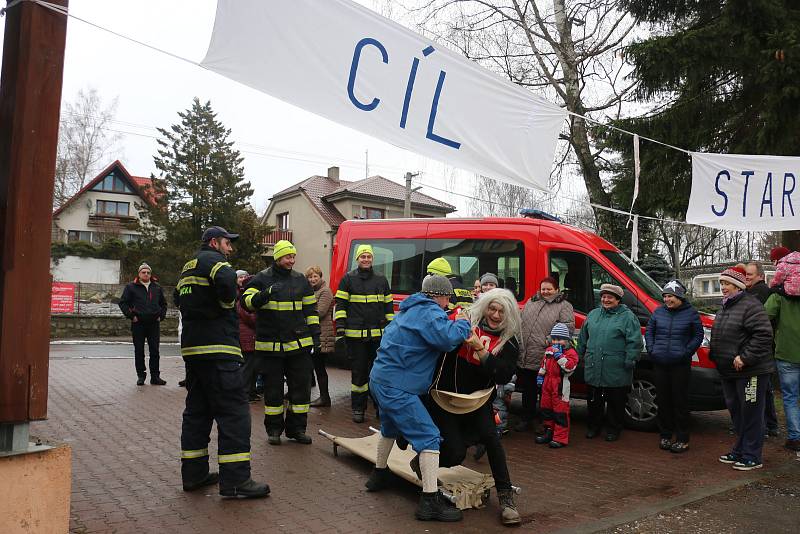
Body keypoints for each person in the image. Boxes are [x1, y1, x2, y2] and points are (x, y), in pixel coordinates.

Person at [364, 274, 472, 522]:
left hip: (380, 380)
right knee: (429, 437)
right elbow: (446, 339)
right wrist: (464, 323)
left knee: (389, 427)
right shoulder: (430, 311)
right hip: (398, 386)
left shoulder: (410, 308)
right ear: (441, 296)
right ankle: (429, 502)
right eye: (447, 299)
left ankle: (379, 475)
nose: (448, 305)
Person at [176, 226, 268, 498]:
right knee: (235, 415)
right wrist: (228, 303)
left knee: (197, 413)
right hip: (219, 350)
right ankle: (236, 481)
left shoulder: (188, 267)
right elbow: (227, 285)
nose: (230, 249)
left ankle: (194, 474)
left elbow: (176, 299)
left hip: (193, 352)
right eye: (228, 243)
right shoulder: (216, 262)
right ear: (215, 243)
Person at [427, 288, 522, 526]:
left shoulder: (509, 343)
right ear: (485, 307)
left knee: (492, 439)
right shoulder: (463, 322)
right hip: (446, 399)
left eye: (501, 311)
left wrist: (480, 349)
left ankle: (506, 500)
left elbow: (502, 375)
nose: (496, 315)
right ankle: (424, 467)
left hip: (478, 401)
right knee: (456, 453)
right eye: (492, 308)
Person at [242, 240, 320, 445]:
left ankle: (297, 430)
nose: (292, 260)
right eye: (288, 256)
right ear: (278, 257)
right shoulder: (261, 278)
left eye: (293, 256)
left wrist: (316, 336)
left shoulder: (301, 280)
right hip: (271, 347)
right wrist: (265, 294)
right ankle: (274, 430)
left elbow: (310, 311)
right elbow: (246, 303)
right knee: (273, 391)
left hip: (298, 345)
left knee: (301, 389)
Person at [711, 266, 775, 470]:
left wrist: (745, 358)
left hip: (751, 371)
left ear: (738, 286)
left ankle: (752, 455)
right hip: (728, 371)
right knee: (737, 412)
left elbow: (764, 334)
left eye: (727, 283)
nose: (723, 287)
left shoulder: (751, 305)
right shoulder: (725, 306)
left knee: (751, 413)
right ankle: (740, 449)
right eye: (722, 283)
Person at [335, 244, 393, 423]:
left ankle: (379, 407)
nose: (366, 259)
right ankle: (358, 409)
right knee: (359, 373)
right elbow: (341, 305)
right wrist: (341, 327)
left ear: (372, 259)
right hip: (355, 336)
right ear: (357, 259)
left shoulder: (382, 280)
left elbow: (388, 307)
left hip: (377, 336)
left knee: (378, 373)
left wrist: (390, 328)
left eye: (369, 256)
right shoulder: (348, 279)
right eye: (363, 256)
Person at [644, 280, 704, 453]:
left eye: (670, 296)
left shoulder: (691, 313)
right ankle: (665, 435)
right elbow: (650, 332)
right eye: (665, 296)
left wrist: (686, 352)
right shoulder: (658, 312)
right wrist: (652, 349)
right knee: (663, 401)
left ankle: (683, 438)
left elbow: (697, 335)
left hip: (680, 365)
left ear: (679, 297)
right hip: (660, 363)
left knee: (680, 402)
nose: (667, 300)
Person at [577, 283, 642, 442]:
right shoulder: (593, 314)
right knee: (594, 401)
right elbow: (582, 338)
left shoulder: (627, 317)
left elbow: (635, 341)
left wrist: (630, 359)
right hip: (594, 365)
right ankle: (594, 427)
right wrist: (578, 355)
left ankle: (614, 429)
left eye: (610, 297)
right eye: (604, 296)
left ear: (618, 300)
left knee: (615, 402)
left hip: (616, 367)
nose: (606, 300)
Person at [517, 277, 574, 432]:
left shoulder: (564, 306)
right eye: (543, 289)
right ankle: (526, 419)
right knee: (527, 390)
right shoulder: (531, 302)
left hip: (546, 356)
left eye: (549, 289)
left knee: (545, 393)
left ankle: (545, 422)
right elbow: (521, 322)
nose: (545, 292)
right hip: (526, 354)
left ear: (556, 289)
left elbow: (567, 329)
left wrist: (546, 341)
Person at [745, 261, 780, 438]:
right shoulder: (755, 292)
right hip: (763, 347)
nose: (746, 277)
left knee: (759, 388)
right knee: (764, 388)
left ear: (760, 275)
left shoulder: (759, 293)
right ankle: (770, 424)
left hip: (760, 348)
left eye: (749, 274)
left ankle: (765, 426)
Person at [119, 263, 168, 386]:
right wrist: (132, 316)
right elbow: (123, 303)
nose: (146, 274)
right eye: (143, 272)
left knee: (155, 351)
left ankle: (155, 377)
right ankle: (141, 376)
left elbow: (164, 304)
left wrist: (160, 316)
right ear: (139, 273)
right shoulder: (131, 287)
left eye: (148, 272)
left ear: (151, 274)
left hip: (153, 324)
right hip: (138, 324)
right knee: (139, 351)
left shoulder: (156, 287)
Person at [765, 284, 800, 451]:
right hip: (787, 354)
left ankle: (795, 438)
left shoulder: (780, 294)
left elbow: (764, 314)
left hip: (787, 353)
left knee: (790, 397)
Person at [536, 323, 579, 448]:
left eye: (559, 339)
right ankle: (549, 432)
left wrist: (560, 356)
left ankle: (560, 438)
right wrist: (540, 375)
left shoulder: (571, 353)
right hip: (547, 383)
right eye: (554, 339)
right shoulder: (549, 350)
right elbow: (544, 364)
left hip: (560, 385)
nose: (556, 342)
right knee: (546, 409)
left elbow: (569, 368)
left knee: (560, 412)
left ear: (566, 340)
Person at [307, 266, 334, 407]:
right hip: (313, 333)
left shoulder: (325, 292)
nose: (312, 279)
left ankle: (324, 397)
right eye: (310, 277)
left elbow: (321, 312)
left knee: (319, 367)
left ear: (320, 277)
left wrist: (302, 313)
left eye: (315, 276)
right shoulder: (311, 291)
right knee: (310, 365)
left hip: (322, 334)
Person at [236, 270, 259, 402]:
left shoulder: (242, 297)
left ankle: (251, 391)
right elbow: (251, 318)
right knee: (248, 366)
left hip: (250, 337)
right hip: (247, 337)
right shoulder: (244, 299)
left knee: (252, 366)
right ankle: (244, 392)